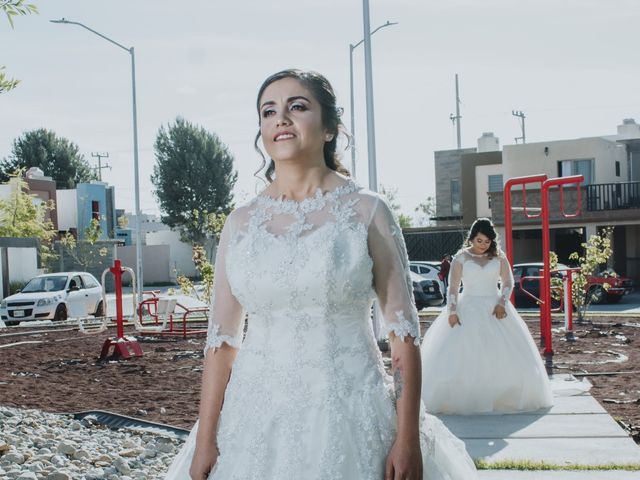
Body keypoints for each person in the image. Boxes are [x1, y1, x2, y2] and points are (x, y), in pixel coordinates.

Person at [165, 69, 477, 480]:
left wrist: (407, 439)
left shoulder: (368, 211)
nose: (281, 119)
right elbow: (221, 342)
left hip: (348, 413)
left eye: (297, 106)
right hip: (254, 421)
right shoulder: (240, 223)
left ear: (330, 127)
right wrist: (206, 438)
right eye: (269, 111)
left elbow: (404, 335)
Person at [420, 218, 553, 415]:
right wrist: (452, 311)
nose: (483, 245)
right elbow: (453, 287)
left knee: (503, 353)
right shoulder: (460, 258)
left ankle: (502, 394)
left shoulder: (499, 258)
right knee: (465, 354)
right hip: (468, 308)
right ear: (471, 239)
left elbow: (508, 282)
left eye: (487, 241)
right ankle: (467, 396)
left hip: (495, 308)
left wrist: (502, 302)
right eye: (479, 240)